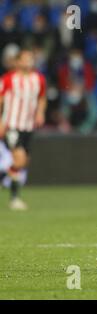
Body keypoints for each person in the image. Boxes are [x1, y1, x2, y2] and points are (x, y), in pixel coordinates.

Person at [0, 50, 46, 210]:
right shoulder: (8, 79)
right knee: (19, 159)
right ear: (18, 62)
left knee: (23, 162)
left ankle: (4, 179)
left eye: (31, 59)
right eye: (25, 59)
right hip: (12, 125)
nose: (29, 62)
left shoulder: (38, 79)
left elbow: (41, 97)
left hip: (28, 126)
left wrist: (40, 112)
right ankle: (14, 199)